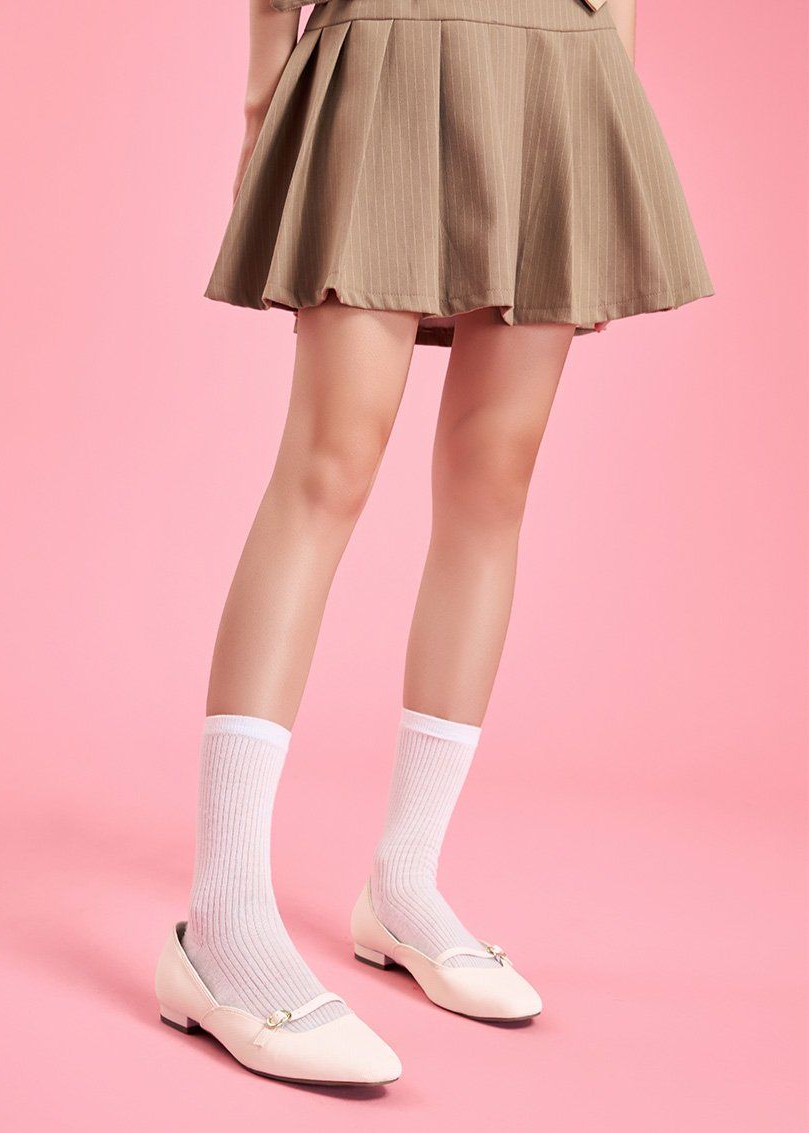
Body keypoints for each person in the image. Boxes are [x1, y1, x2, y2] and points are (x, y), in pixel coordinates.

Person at [155, 0, 713, 1086]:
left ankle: (404, 883)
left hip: (560, 69)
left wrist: (611, 118)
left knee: (493, 479)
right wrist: (265, 103)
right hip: (391, 45)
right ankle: (220, 924)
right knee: (328, 465)